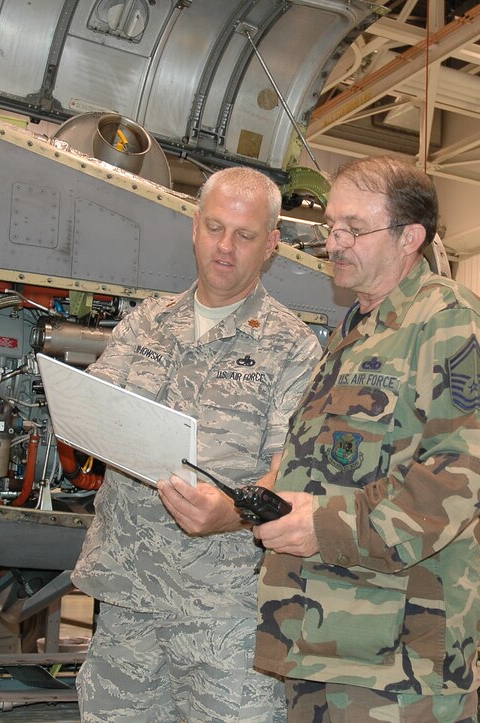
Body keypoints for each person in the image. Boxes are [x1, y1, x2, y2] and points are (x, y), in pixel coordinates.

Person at [254, 155, 480, 722]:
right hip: (323, 635)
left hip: (401, 656)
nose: (335, 242)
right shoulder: (355, 332)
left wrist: (322, 525)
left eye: (354, 228)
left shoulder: (451, 323)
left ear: (410, 238)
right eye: (331, 227)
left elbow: (469, 470)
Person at [71, 166, 323, 722]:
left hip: (224, 610)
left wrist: (232, 513)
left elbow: (293, 471)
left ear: (273, 244)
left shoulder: (292, 348)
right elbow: (95, 411)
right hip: (127, 597)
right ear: (194, 228)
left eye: (245, 235)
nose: (225, 247)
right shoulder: (146, 324)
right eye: (214, 228)